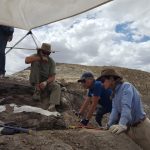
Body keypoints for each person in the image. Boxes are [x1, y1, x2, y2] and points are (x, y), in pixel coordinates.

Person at [98, 68, 150, 150]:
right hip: (130, 129)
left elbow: (126, 106)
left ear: (111, 79)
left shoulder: (126, 86)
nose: (102, 84)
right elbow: (115, 110)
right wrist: (109, 125)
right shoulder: (114, 93)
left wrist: (122, 124)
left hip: (143, 127)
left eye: (103, 81)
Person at [25, 43, 61, 111]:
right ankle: (37, 90)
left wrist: (46, 82)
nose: (46, 55)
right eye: (44, 52)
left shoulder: (51, 62)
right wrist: (40, 58)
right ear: (40, 51)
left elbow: (52, 77)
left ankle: (52, 105)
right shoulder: (35, 56)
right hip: (35, 80)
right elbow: (26, 60)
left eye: (48, 53)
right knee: (35, 62)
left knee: (57, 87)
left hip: (45, 81)